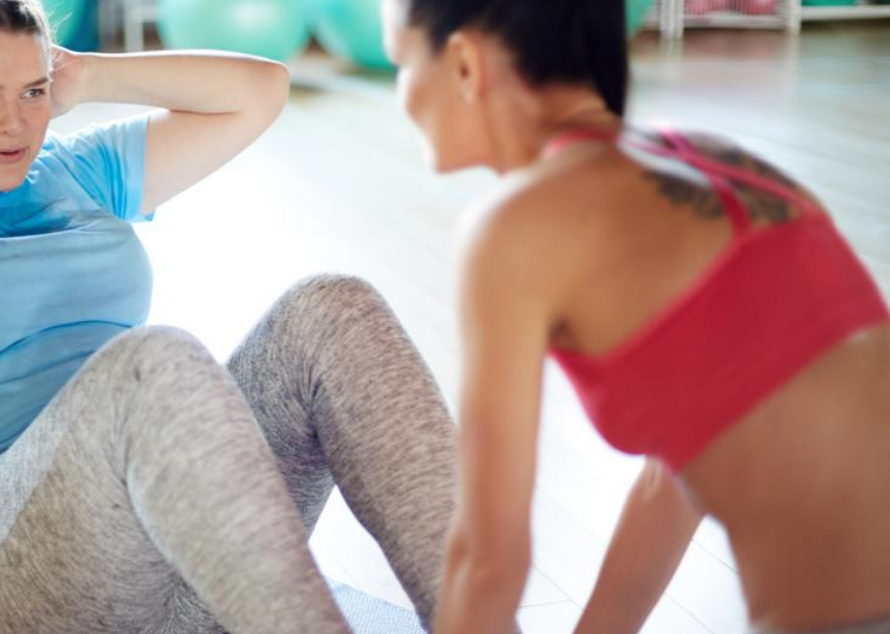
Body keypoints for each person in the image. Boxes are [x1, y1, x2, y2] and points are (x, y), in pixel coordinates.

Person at [0, 1, 458, 632]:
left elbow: (260, 91)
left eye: (32, 91)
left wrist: (89, 76)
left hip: (173, 553)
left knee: (330, 308)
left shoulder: (78, 171)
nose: (16, 123)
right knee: (151, 363)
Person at [379, 0, 890, 633]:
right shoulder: (709, 156)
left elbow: (487, 566)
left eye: (400, 63)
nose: (401, 93)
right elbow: (678, 473)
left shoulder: (514, 228)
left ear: (463, 63)